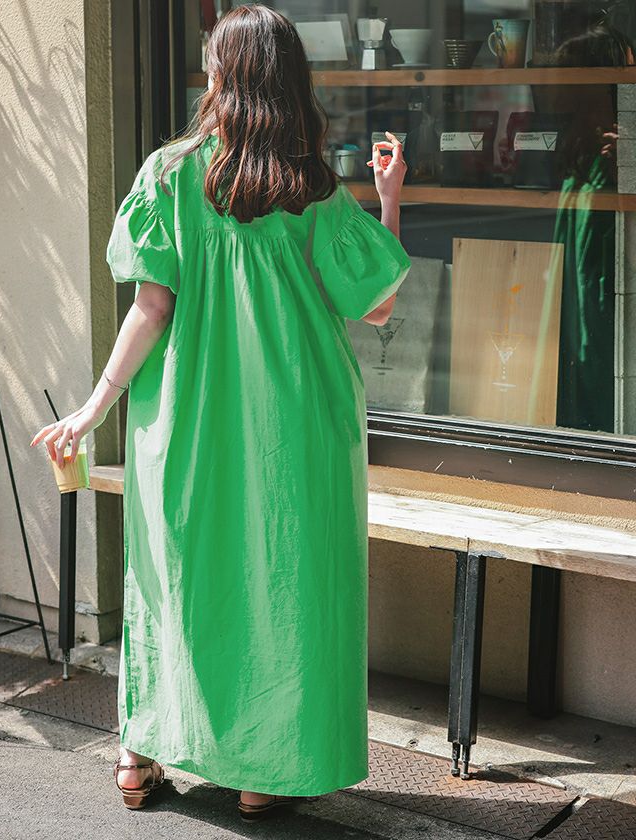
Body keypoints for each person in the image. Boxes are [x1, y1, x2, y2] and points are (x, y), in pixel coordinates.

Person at [30, 4, 411, 822]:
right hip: (299, 429)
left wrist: (93, 408)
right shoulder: (313, 186)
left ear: (222, 76)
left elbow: (151, 308)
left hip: (187, 423)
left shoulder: (168, 175)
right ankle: (260, 777)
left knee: (176, 580)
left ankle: (137, 757)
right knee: (283, 585)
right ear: (289, 79)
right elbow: (376, 306)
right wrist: (389, 201)